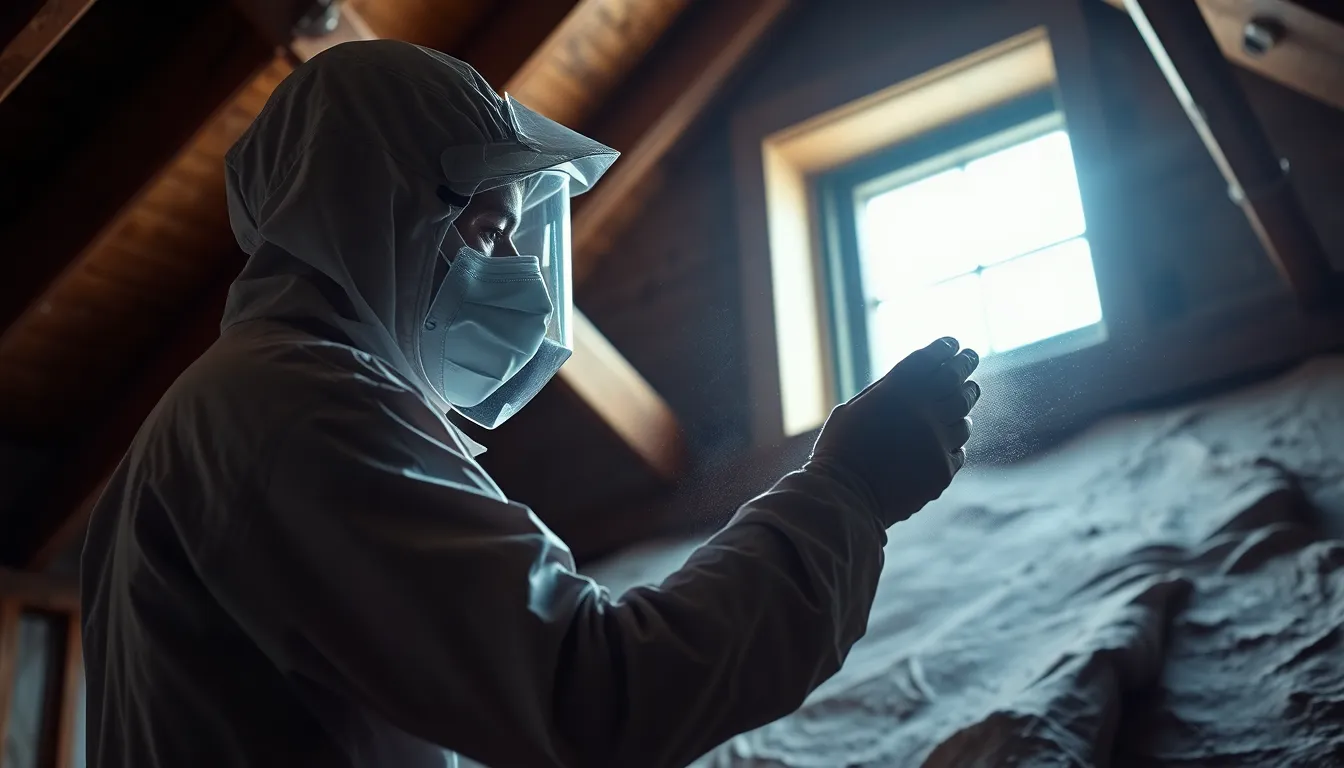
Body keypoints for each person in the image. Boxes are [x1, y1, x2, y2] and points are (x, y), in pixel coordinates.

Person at [80, 40, 981, 768]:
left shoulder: (234, 409)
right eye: (487, 226)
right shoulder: (298, 410)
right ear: (372, 211)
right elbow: (600, 697)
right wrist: (846, 492)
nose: (514, 270)